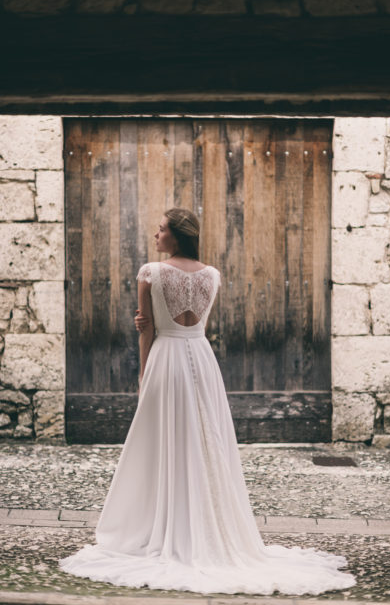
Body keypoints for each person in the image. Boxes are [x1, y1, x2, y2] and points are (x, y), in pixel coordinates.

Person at [58, 207, 357, 596]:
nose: (155, 235)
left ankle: (166, 526)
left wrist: (144, 374)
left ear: (177, 236)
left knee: (164, 442)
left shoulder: (150, 272)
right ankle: (207, 525)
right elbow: (195, 324)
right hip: (200, 358)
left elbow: (146, 330)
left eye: (161, 230)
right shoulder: (212, 275)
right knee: (205, 441)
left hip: (166, 359)